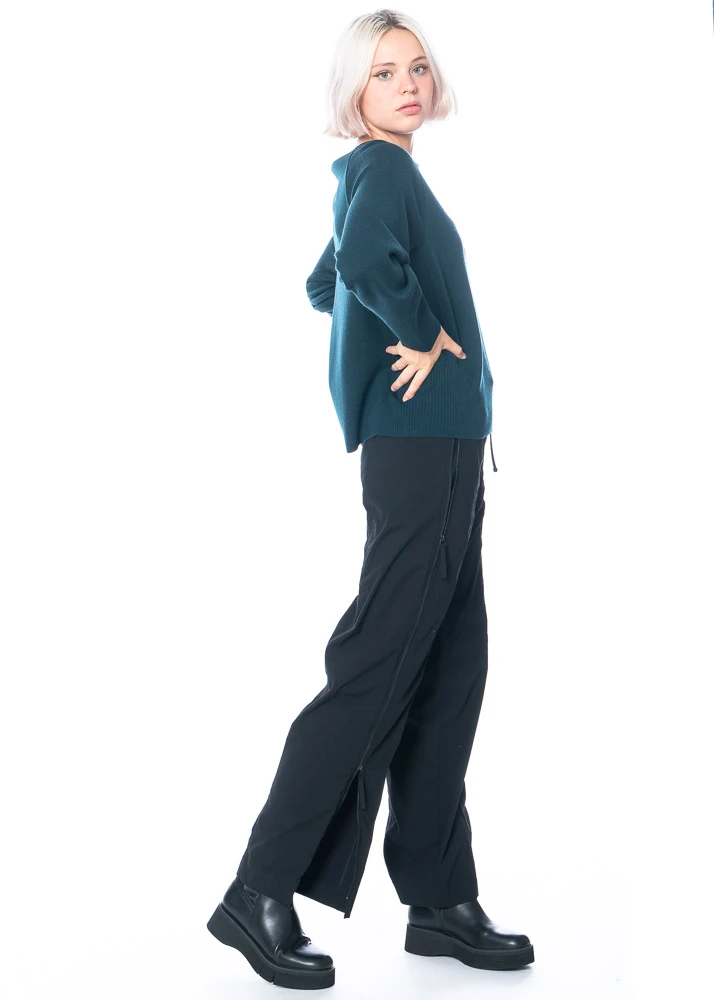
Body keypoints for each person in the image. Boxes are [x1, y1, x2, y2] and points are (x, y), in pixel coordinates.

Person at [206, 9, 534, 990]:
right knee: (377, 664)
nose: (408, 84)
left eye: (417, 67)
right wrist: (423, 332)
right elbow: (355, 269)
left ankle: (438, 899)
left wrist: (393, 323)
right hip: (424, 448)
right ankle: (258, 889)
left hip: (438, 450)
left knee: (451, 668)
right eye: (384, 71)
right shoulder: (383, 170)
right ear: (353, 89)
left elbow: (325, 281)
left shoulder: (368, 177)